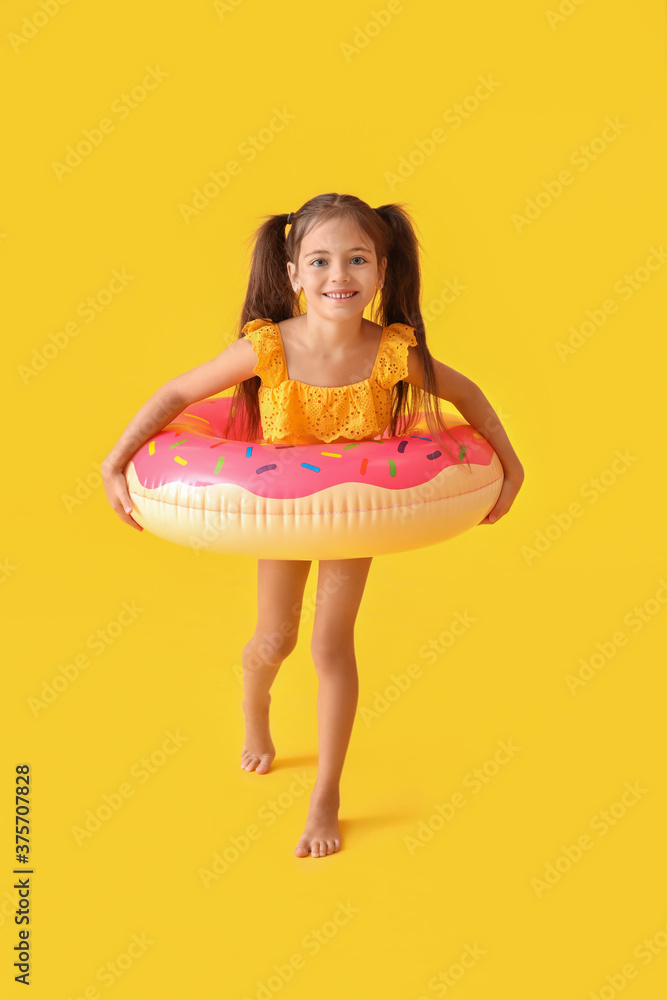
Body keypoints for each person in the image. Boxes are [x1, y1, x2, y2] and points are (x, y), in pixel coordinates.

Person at [102, 192, 525, 860]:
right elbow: (178, 395)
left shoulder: (390, 353)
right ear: (294, 273)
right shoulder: (268, 348)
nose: (340, 275)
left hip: (352, 510)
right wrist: (115, 461)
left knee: (331, 646)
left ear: (381, 272)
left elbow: (467, 395)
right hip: (278, 509)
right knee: (274, 640)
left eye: (357, 259)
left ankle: (326, 792)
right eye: (321, 260)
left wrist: (511, 463)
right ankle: (255, 715)